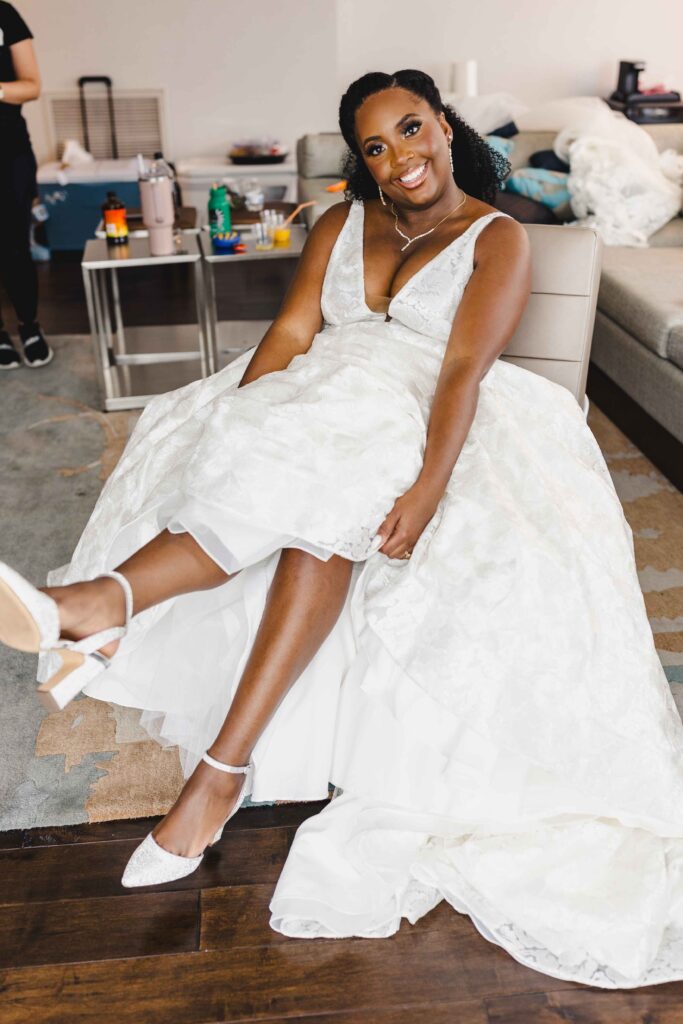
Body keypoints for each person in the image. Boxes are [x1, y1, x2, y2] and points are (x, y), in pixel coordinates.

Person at [1, 68, 683, 989]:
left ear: (443, 127)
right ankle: (190, 734)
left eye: (410, 131)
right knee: (285, 471)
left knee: (334, 481)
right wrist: (228, 427)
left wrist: (431, 486)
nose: (398, 157)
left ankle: (108, 621)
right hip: (320, 392)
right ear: (360, 158)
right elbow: (287, 337)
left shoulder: (497, 238)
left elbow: (459, 378)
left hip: (418, 407)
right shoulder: (338, 224)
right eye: (375, 145)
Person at [0, 1, 53, 370]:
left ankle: (30, 327)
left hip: (10, 151)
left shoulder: (4, 14)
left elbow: (32, 85)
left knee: (15, 245)